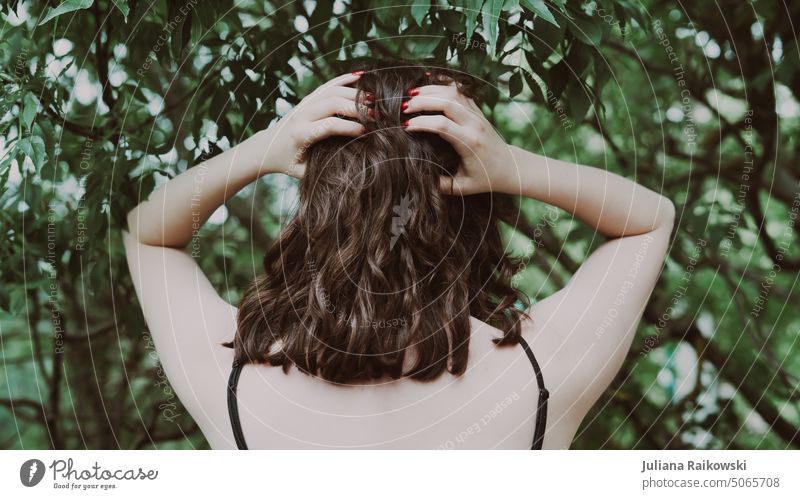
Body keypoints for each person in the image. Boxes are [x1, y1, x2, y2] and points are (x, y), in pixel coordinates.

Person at [123, 60, 674, 449]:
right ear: (472, 211)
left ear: (318, 208)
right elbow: (649, 221)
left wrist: (265, 147)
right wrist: (511, 166)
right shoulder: (543, 370)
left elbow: (144, 231)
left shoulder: (232, 377)